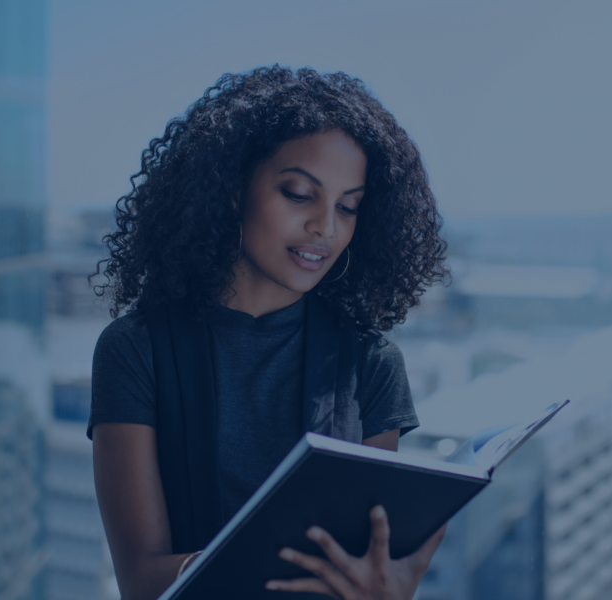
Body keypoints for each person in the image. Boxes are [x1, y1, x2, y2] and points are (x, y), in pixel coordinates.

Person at [88, 65, 450, 600]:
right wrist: (313, 573)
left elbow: (363, 568)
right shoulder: (135, 351)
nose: (326, 227)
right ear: (233, 189)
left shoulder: (371, 364)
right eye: (300, 193)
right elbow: (143, 583)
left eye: (348, 206)